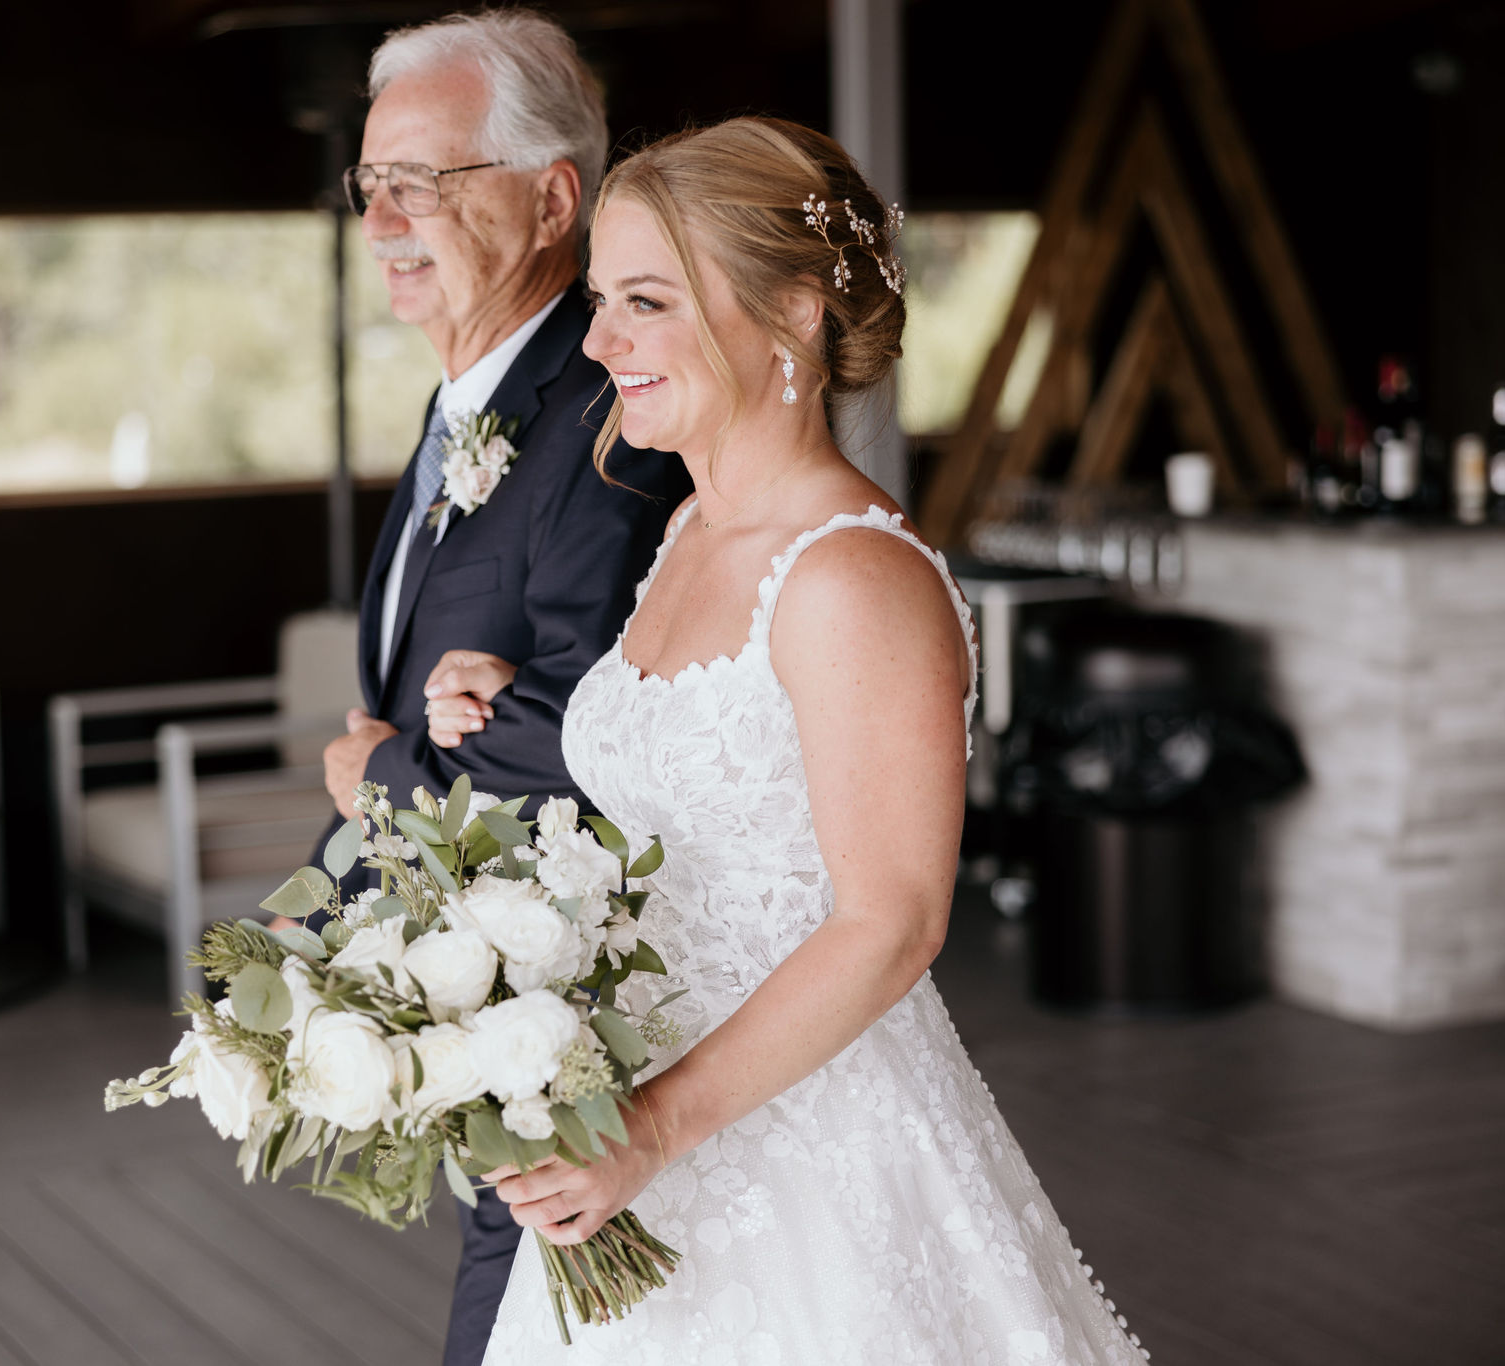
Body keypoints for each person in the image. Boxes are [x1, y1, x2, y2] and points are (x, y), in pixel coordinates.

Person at [422, 118, 1153, 1364]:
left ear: (797, 311)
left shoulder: (854, 579)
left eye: (644, 302)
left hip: (795, 1142)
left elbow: (893, 922)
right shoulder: (690, 534)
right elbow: (688, 775)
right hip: (629, 1121)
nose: (598, 344)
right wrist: (508, 689)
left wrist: (650, 1128)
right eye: (601, 301)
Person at [305, 12, 687, 1366]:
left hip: (591, 1021)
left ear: (550, 198)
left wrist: (381, 780)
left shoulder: (609, 412)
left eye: (426, 180)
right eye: (371, 184)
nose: (384, 220)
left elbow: (619, 728)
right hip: (492, 1002)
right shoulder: (461, 398)